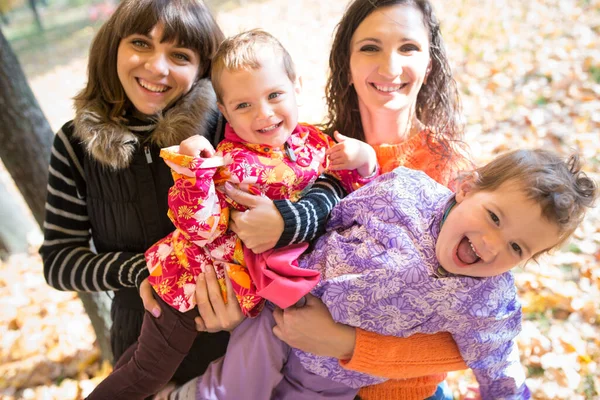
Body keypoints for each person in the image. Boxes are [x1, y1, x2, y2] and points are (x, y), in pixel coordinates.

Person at [39, 0, 343, 393]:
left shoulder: (232, 125)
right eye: (141, 44)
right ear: (113, 46)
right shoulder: (75, 144)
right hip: (144, 340)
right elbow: (59, 262)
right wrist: (144, 272)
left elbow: (298, 189)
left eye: (179, 54)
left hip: (240, 342)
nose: (157, 67)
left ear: (202, 67)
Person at [86, 29, 378, 399]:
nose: (265, 114)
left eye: (274, 95)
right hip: (188, 287)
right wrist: (196, 172)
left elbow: (350, 197)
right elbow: (200, 228)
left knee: (142, 362)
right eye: (244, 106)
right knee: (145, 372)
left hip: (236, 295)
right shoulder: (230, 163)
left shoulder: (314, 144)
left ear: (296, 86)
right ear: (224, 112)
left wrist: (364, 162)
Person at [213, 0, 474, 398]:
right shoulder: (302, 152)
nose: (389, 67)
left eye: (408, 47)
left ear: (430, 63)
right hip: (297, 376)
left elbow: (477, 335)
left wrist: (347, 343)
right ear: (346, 63)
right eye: (371, 47)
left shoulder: (450, 171)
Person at [187, 149, 597, 400]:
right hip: (288, 302)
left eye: (516, 248)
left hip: (334, 372)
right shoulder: (406, 192)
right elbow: (339, 215)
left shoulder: (488, 301)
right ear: (467, 187)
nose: (492, 244)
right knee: (235, 386)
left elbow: (498, 357)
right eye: (493, 217)